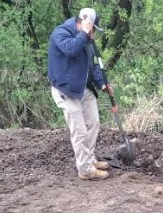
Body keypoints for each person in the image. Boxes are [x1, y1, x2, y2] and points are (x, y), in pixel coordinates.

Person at [47, 8, 114, 181]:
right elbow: (71, 50)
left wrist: (102, 84)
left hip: (84, 88)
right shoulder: (60, 33)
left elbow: (92, 66)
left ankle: (89, 159)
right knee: (80, 131)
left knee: (93, 123)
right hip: (66, 90)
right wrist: (85, 32)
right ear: (84, 23)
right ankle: (85, 170)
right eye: (93, 29)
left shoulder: (86, 39)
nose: (94, 34)